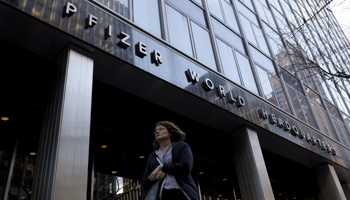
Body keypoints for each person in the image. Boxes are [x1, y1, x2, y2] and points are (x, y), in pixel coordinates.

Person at [141, 121, 199, 200]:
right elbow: (144, 181)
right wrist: (154, 178)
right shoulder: (153, 155)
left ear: (170, 132)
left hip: (182, 193)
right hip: (161, 195)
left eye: (161, 129)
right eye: (156, 131)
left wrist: (162, 167)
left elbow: (186, 167)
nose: (157, 131)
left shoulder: (181, 146)